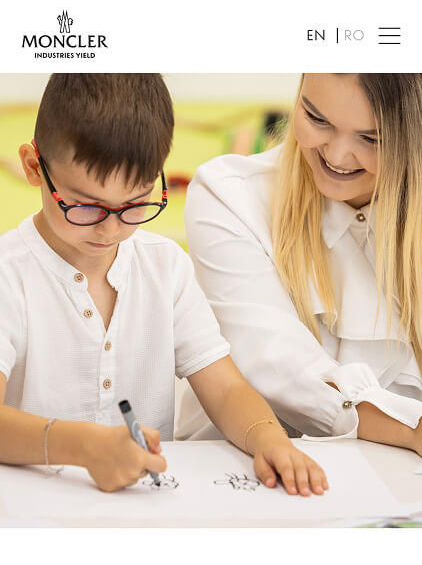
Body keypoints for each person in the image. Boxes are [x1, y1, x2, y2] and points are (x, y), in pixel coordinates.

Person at [0, 73, 327, 496]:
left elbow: (225, 388)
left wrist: (268, 437)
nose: (111, 230)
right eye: (85, 206)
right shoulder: (10, 273)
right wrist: (82, 446)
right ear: (33, 167)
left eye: (135, 204)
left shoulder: (165, 266)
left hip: (145, 507)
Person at [177, 73, 422, 458]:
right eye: (316, 118)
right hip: (244, 471)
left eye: (371, 139)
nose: (336, 157)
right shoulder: (230, 195)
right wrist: (410, 429)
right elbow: (282, 367)